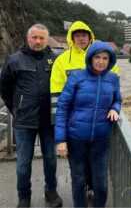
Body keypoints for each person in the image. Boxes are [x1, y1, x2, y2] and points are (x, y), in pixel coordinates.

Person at [50, 20, 120, 198]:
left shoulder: (109, 69)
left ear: (90, 37)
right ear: (72, 38)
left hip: (99, 132)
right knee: (78, 176)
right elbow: (59, 100)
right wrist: (60, 137)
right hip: (75, 127)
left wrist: (115, 107)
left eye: (84, 35)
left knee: (99, 178)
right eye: (77, 35)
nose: (81, 39)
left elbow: (114, 93)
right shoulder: (62, 60)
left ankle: (92, 189)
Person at [0, 24, 62, 208]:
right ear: (28, 38)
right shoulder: (14, 60)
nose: (38, 41)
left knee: (50, 159)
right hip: (24, 121)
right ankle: (24, 197)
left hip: (48, 121)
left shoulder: (55, 59)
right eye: (34, 37)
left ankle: (51, 192)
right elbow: (4, 89)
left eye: (42, 38)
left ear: (46, 39)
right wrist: (17, 110)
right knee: (23, 163)